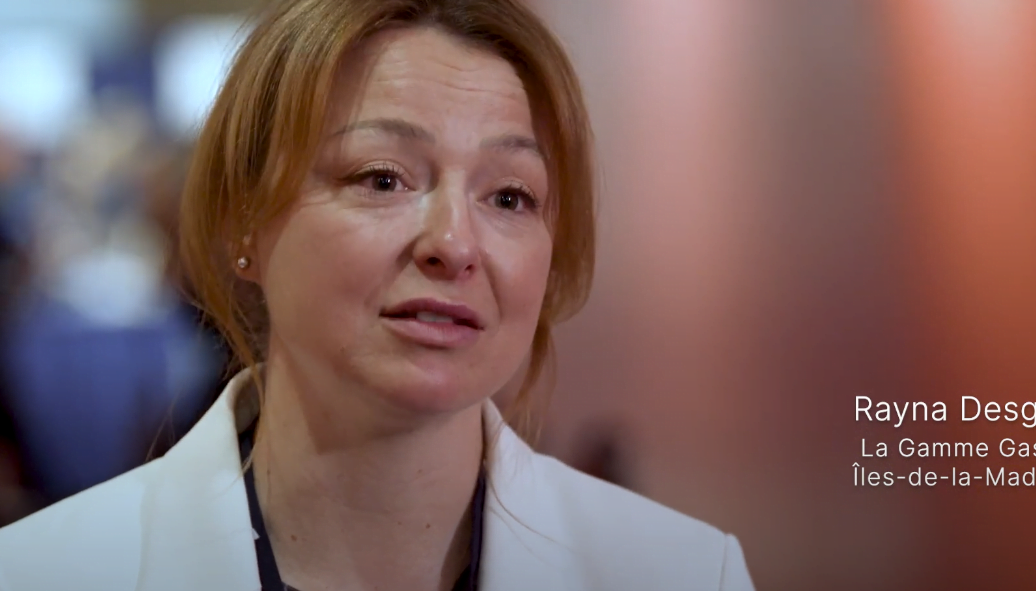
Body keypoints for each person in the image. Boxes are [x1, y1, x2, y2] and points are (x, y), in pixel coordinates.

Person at [0, 1, 757, 589]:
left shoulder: (685, 570)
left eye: (510, 197)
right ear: (244, 223)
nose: (454, 244)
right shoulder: (41, 571)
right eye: (381, 178)